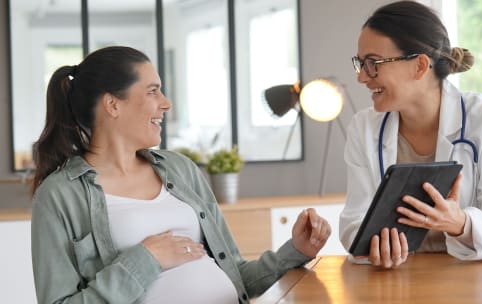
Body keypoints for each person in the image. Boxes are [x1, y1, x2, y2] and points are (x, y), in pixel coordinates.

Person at [30, 46, 331, 303]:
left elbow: (236, 274)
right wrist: (144, 260)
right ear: (112, 104)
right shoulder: (59, 195)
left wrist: (295, 251)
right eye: (153, 91)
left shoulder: (179, 169)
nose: (166, 103)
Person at [340, 1, 482, 269]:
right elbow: (354, 222)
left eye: (373, 63)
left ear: (420, 66)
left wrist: (462, 224)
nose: (362, 78)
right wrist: (375, 246)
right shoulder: (363, 129)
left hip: (478, 281)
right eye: (360, 64)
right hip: (400, 280)